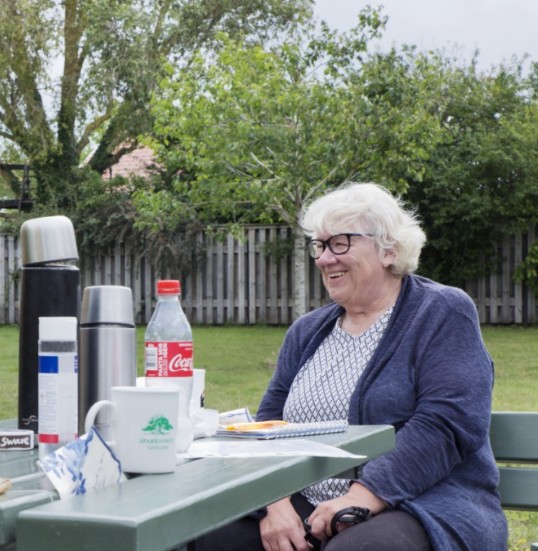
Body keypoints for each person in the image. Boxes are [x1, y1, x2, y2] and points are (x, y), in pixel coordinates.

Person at [196, 183, 506, 551]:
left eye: (340, 243)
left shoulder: (441, 312)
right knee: (211, 536)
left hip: (423, 502)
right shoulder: (306, 332)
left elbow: (446, 424)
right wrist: (274, 503)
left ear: (388, 249)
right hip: (309, 503)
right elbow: (268, 427)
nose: (325, 259)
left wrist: (363, 495)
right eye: (319, 245)